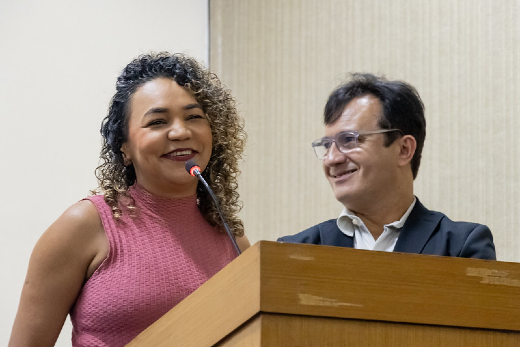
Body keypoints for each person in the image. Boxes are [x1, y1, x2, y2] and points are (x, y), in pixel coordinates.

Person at [9, 52, 250, 347]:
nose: (180, 131)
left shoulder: (233, 240)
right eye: (157, 122)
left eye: (194, 117)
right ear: (125, 148)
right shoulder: (85, 225)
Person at [278, 73, 495, 259]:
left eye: (349, 140)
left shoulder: (460, 246)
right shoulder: (294, 250)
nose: (332, 159)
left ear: (403, 149)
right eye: (326, 145)